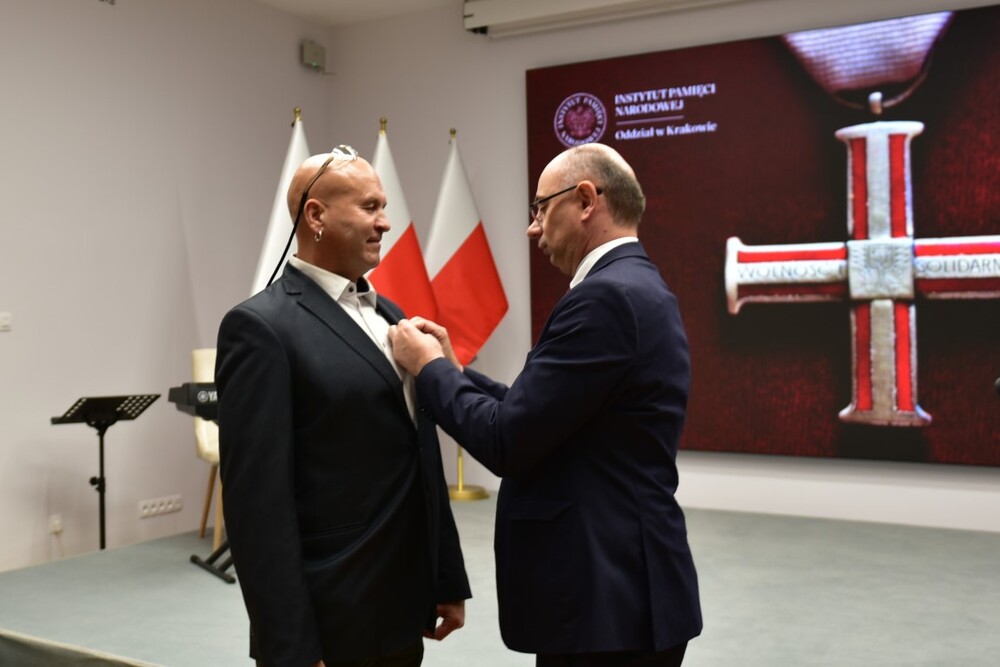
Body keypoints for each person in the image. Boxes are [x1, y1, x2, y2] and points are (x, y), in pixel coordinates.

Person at [389, 143, 702, 667]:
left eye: (540, 208)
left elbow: (507, 440)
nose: (532, 228)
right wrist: (456, 373)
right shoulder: (636, 285)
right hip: (625, 591)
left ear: (586, 200)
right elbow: (541, 414)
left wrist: (427, 370)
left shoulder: (603, 298)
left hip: (606, 602)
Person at [215, 146, 471, 667]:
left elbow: (420, 453)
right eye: (370, 207)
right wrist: (289, 645)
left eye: (383, 207)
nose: (386, 222)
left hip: (401, 606)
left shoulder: (393, 316)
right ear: (316, 216)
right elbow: (256, 507)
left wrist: (445, 575)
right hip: (330, 616)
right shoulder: (260, 328)